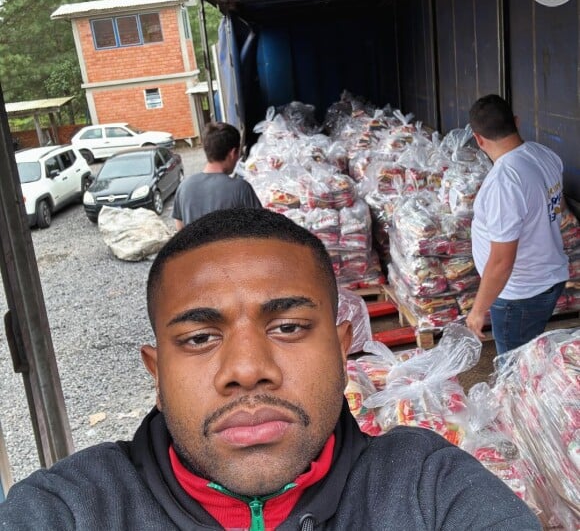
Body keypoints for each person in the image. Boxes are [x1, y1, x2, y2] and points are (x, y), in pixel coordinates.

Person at [0, 208, 540, 530]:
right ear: (156, 373)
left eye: (287, 328)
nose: (247, 369)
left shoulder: (429, 488)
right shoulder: (69, 509)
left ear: (342, 349)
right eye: (199, 337)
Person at [466, 94, 569, 354]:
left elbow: (502, 261)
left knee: (513, 373)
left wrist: (478, 310)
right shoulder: (544, 154)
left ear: (478, 139)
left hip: (520, 295)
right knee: (530, 360)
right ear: (515, 122)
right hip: (548, 278)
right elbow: (558, 207)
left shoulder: (505, 182)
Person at [172, 121, 261, 230]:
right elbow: (260, 231)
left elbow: (180, 229)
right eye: (238, 153)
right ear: (233, 153)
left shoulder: (183, 187)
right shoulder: (241, 189)